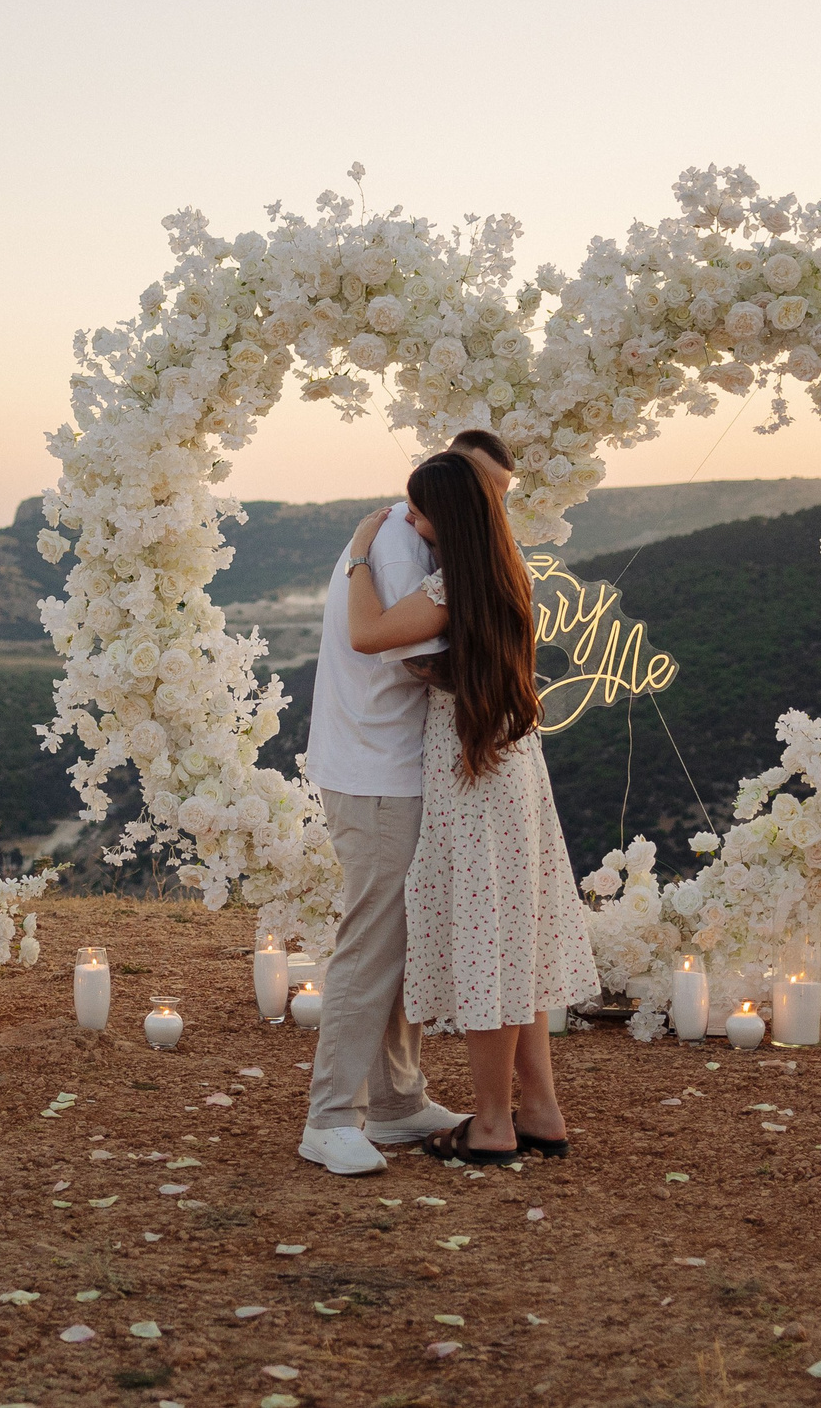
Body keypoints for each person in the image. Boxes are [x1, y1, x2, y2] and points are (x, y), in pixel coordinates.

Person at [343, 447, 599, 1164]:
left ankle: (491, 1122)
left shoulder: (451, 581)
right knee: (516, 941)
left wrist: (362, 552)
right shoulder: (501, 569)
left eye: (419, 508)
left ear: (446, 517)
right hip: (514, 767)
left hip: (472, 780)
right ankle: (541, 1109)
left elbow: (365, 634)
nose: (411, 518)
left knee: (490, 944)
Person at [295, 429, 516, 1176]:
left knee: (401, 937)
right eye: (482, 490)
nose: (492, 507)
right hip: (374, 770)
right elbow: (416, 656)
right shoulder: (396, 547)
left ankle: (394, 1102)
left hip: (394, 764)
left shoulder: (422, 544)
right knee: (373, 939)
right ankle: (329, 1117)